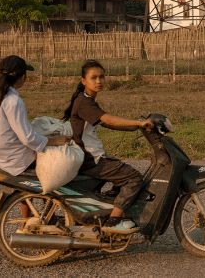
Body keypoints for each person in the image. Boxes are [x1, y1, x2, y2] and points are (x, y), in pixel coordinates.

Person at [62, 59, 153, 234]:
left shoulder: (87, 100)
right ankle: (113, 222)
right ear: (83, 80)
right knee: (134, 178)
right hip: (90, 159)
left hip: (91, 155)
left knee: (122, 171)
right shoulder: (83, 102)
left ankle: (108, 209)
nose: (99, 81)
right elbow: (107, 119)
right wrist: (138, 122)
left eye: (101, 77)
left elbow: (107, 123)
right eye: (94, 77)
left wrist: (136, 127)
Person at [0, 55, 70, 177]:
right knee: (70, 155)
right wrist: (56, 141)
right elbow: (28, 139)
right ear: (23, 77)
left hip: (0, 159)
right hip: (20, 162)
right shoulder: (13, 101)